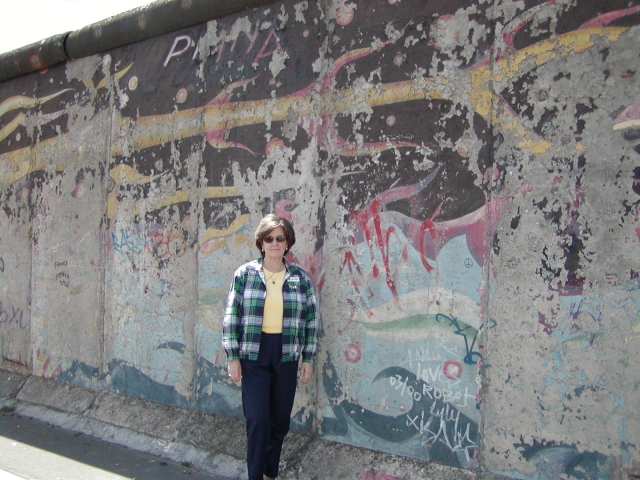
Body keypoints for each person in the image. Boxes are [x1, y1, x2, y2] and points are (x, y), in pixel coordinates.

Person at [222, 213, 318, 480]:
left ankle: (269, 474)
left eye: (280, 238)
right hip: (254, 352)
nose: (275, 243)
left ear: (287, 243)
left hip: (286, 353)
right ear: (261, 243)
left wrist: (307, 358)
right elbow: (232, 315)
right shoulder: (245, 275)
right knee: (258, 419)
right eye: (269, 238)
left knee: (279, 421)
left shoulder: (300, 278)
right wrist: (233, 356)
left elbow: (311, 319)